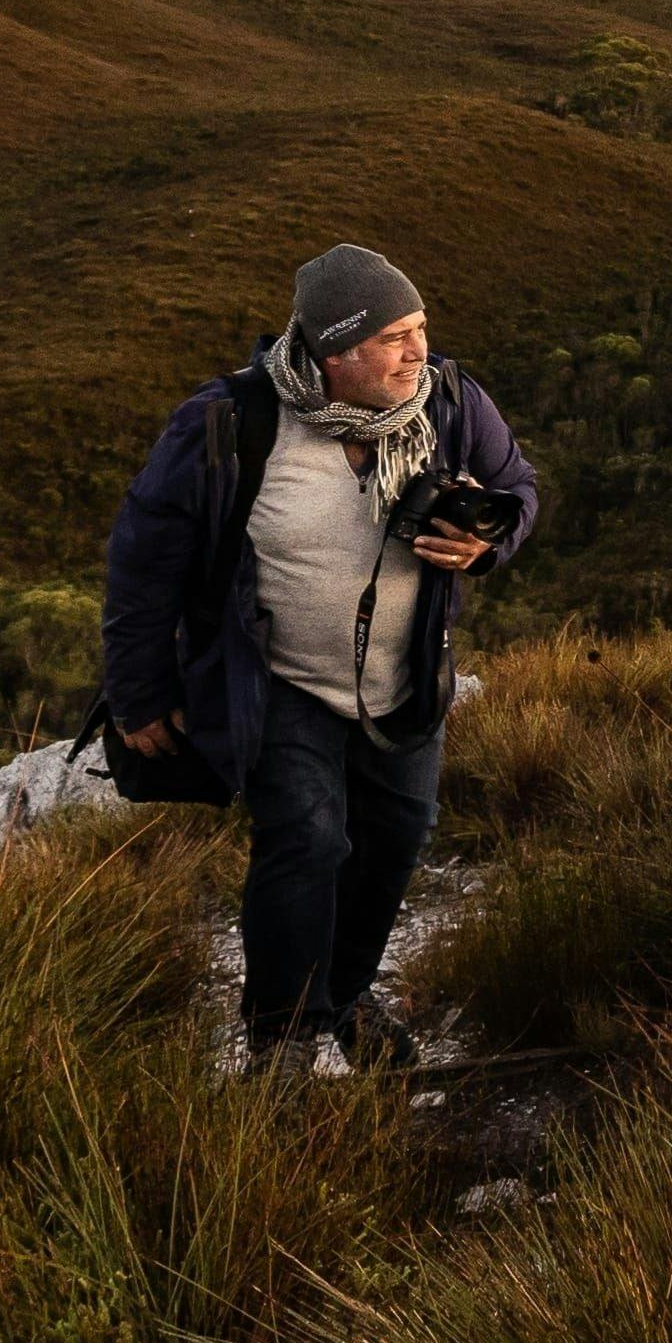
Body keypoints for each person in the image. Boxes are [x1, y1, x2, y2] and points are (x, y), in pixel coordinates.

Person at [100, 240, 538, 1079]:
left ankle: (345, 994)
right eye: (395, 337)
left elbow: (518, 487)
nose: (420, 351)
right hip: (283, 682)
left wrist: (485, 543)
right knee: (306, 837)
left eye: (421, 328)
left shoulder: (446, 400)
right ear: (338, 352)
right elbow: (144, 561)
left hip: (403, 680)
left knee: (396, 837)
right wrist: (139, 692)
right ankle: (283, 1039)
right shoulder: (230, 422)